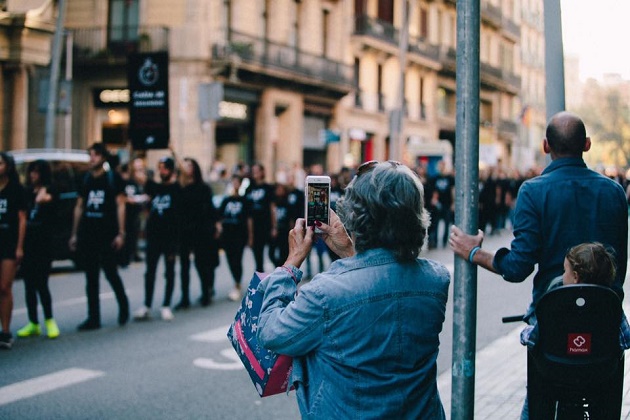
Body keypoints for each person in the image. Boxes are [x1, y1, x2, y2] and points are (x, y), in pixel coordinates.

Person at [448, 111, 628, 419]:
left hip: (554, 323)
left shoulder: (533, 192)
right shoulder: (613, 193)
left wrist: (475, 252)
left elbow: (517, 267)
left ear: (546, 146)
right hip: (604, 320)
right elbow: (619, 268)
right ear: (586, 144)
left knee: (539, 405)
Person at [256, 161, 451, 418]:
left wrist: (290, 265)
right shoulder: (436, 280)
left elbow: (271, 332)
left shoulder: (326, 292)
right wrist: (350, 251)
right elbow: (379, 283)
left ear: (355, 215)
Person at [520, 242, 630, 350]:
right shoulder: (610, 303)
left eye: (565, 271)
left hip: (560, 365)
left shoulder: (555, 303)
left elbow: (532, 339)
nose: (563, 275)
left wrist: (525, 333)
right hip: (600, 367)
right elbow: (626, 340)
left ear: (575, 277)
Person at [69, 143, 130, 331]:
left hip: (107, 233)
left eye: (96, 155)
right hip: (89, 233)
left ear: (103, 158)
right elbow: (79, 206)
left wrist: (121, 232)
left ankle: (123, 305)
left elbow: (121, 205)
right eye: (90, 155)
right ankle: (93, 317)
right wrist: (74, 233)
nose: (92, 158)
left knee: (111, 273)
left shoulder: (112, 179)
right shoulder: (86, 179)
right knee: (91, 277)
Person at [133, 157, 181, 321]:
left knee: (169, 272)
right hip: (154, 237)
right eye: (159, 168)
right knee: (150, 272)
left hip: (170, 238)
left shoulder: (176, 189)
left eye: (164, 168)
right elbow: (141, 179)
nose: (161, 171)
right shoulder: (155, 188)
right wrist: (139, 165)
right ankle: (147, 305)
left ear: (171, 170)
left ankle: (166, 305)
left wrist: (173, 149)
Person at [16, 160, 60, 339]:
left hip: (44, 243)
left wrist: (44, 195)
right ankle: (33, 321)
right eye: (31, 172)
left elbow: (48, 201)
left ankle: (49, 320)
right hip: (28, 242)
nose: (33, 175)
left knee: (42, 283)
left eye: (37, 172)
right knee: (28, 284)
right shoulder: (26, 192)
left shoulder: (51, 189)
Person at [175, 157, 220, 308]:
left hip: (200, 230)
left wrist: (216, 225)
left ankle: (206, 292)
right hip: (184, 231)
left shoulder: (203, 187)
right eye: (185, 165)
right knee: (184, 266)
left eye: (189, 165)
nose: (186, 168)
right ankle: (185, 298)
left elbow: (210, 208)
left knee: (201, 264)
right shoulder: (180, 187)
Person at [0, 152, 27, 348]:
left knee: (4, 287)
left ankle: (6, 331)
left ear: (7, 166)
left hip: (8, 242)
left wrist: (19, 246)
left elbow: (22, 219)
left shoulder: (16, 189)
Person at [218, 174, 250, 301]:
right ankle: (236, 281)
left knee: (237, 259)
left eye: (237, 182)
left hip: (239, 234)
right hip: (227, 234)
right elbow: (219, 216)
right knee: (230, 259)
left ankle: (237, 284)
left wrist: (250, 236)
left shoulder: (244, 200)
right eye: (234, 182)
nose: (235, 184)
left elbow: (249, 219)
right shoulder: (227, 200)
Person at [245, 163, 276, 273]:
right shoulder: (249, 189)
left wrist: (274, 227)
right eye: (253, 170)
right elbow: (248, 214)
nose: (255, 173)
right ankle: (260, 284)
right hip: (255, 226)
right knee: (258, 258)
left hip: (266, 224)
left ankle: (281, 274)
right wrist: (250, 234)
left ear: (262, 172)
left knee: (272, 254)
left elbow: (272, 208)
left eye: (257, 170)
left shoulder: (268, 188)